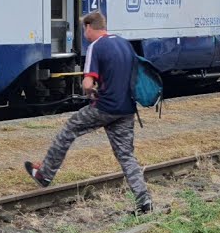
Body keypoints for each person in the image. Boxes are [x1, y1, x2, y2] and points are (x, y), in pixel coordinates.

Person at [25, 12, 152, 216]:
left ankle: (44, 174)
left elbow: (87, 83)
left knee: (69, 129)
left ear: (89, 26)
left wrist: (89, 91)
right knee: (126, 156)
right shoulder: (124, 43)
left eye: (84, 29)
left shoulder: (97, 46)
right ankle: (144, 201)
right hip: (127, 109)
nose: (84, 34)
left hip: (104, 107)